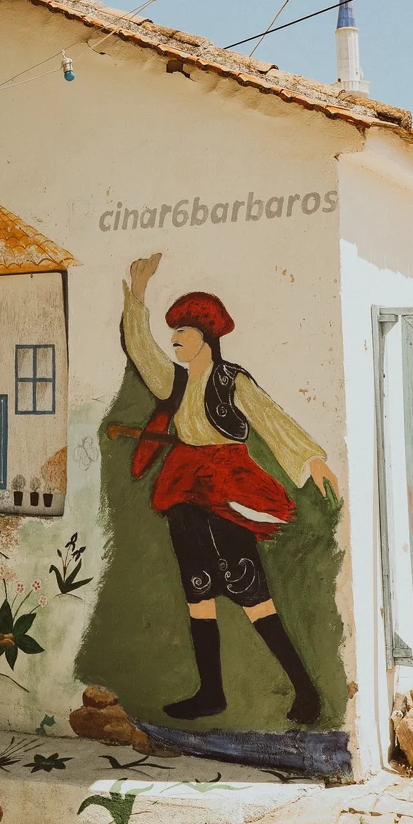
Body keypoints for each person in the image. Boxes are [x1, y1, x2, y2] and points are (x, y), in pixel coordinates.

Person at [121, 252, 339, 724]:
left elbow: (269, 418)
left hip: (226, 487)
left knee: (250, 591)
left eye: (182, 333)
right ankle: (211, 693)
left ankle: (306, 691)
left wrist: (311, 458)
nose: (174, 341)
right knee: (197, 590)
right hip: (183, 488)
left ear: (205, 338)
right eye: (173, 333)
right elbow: (140, 349)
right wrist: (137, 296)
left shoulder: (230, 379)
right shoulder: (173, 382)